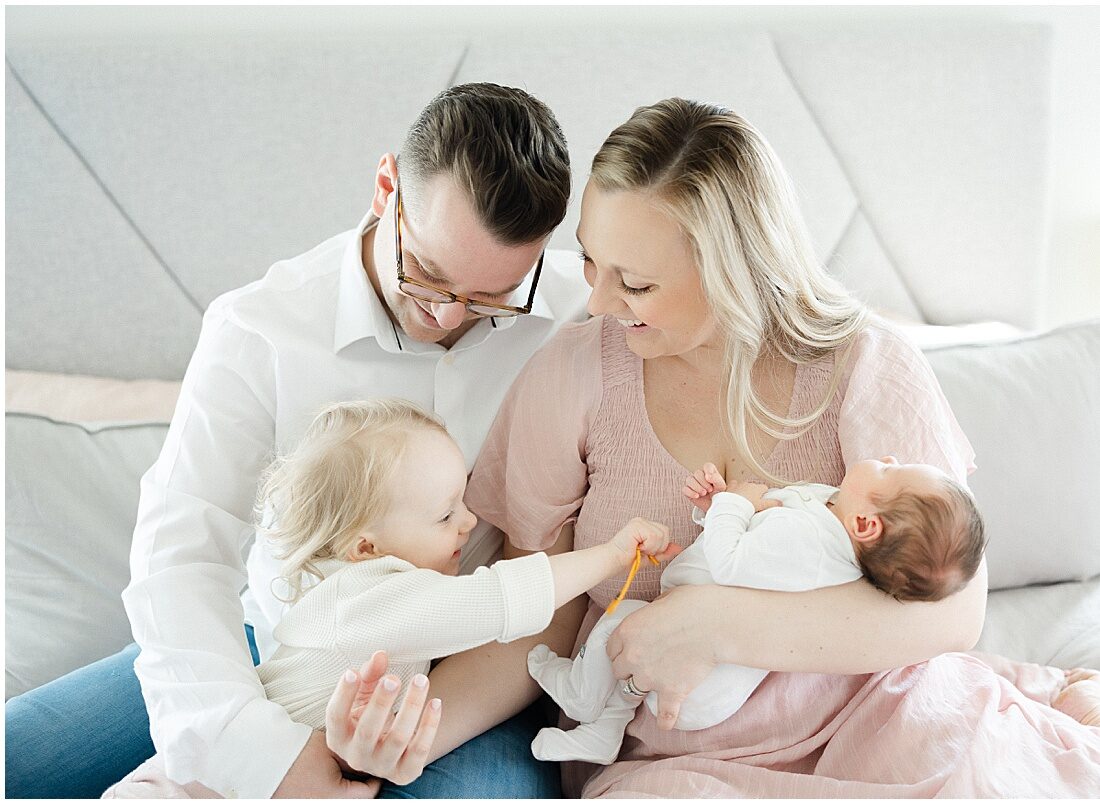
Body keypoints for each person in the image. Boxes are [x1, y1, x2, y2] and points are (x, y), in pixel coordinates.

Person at [464, 98, 1100, 796]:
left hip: (882, 717)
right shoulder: (574, 371)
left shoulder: (863, 363)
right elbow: (531, 615)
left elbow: (953, 608)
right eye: (589, 260)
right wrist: (404, 739)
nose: (600, 302)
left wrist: (717, 624)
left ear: (734, 268)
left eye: (636, 282)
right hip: (673, 758)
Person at [4, 83, 591, 799]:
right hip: (280, 648)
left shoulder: (580, 324)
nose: (447, 315)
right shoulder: (261, 329)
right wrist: (264, 754)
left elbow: (553, 588)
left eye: (493, 297)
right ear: (385, 189)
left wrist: (402, 738)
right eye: (427, 275)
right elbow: (183, 557)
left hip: (471, 677)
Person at [104, 397, 680, 796]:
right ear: (365, 546)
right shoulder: (367, 595)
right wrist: (611, 554)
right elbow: (498, 600)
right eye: (445, 514)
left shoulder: (365, 587)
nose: (469, 522)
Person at [527, 458, 987, 764]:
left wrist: (736, 502)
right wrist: (716, 511)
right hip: (698, 672)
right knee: (632, 649)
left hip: (700, 684)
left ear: (865, 524)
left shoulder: (808, 543)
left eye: (893, 470)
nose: (887, 458)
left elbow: (730, 562)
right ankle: (602, 734)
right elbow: (755, 551)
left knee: (620, 620)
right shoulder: (830, 530)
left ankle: (578, 694)